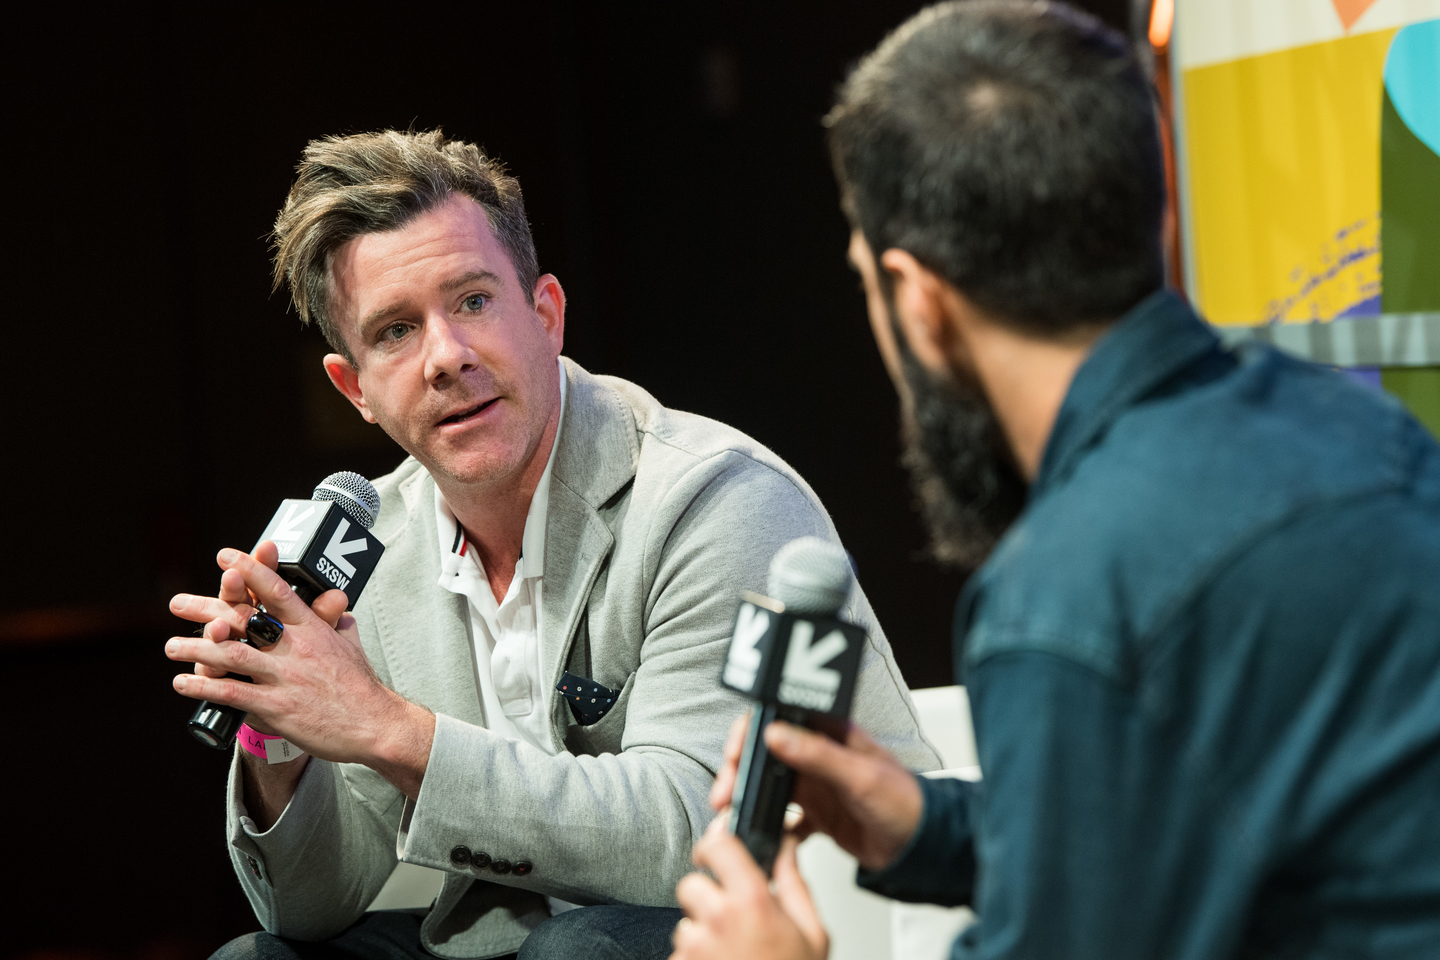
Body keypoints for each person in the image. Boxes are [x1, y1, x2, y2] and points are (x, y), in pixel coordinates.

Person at [670, 2, 1440, 958]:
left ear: (918, 301)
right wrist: (922, 826)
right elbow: (1191, 823)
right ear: (1155, 218)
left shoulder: (1072, 598)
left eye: (868, 283)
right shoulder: (1354, 423)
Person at [163, 128, 941, 960]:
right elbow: (309, 908)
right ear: (355, 387)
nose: (446, 357)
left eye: (472, 302)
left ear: (546, 315)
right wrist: (276, 730)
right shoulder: (373, 546)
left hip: (785, 926)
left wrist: (388, 728)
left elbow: (689, 837)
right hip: (522, 942)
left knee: (578, 951)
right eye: (394, 331)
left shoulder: (713, 499)